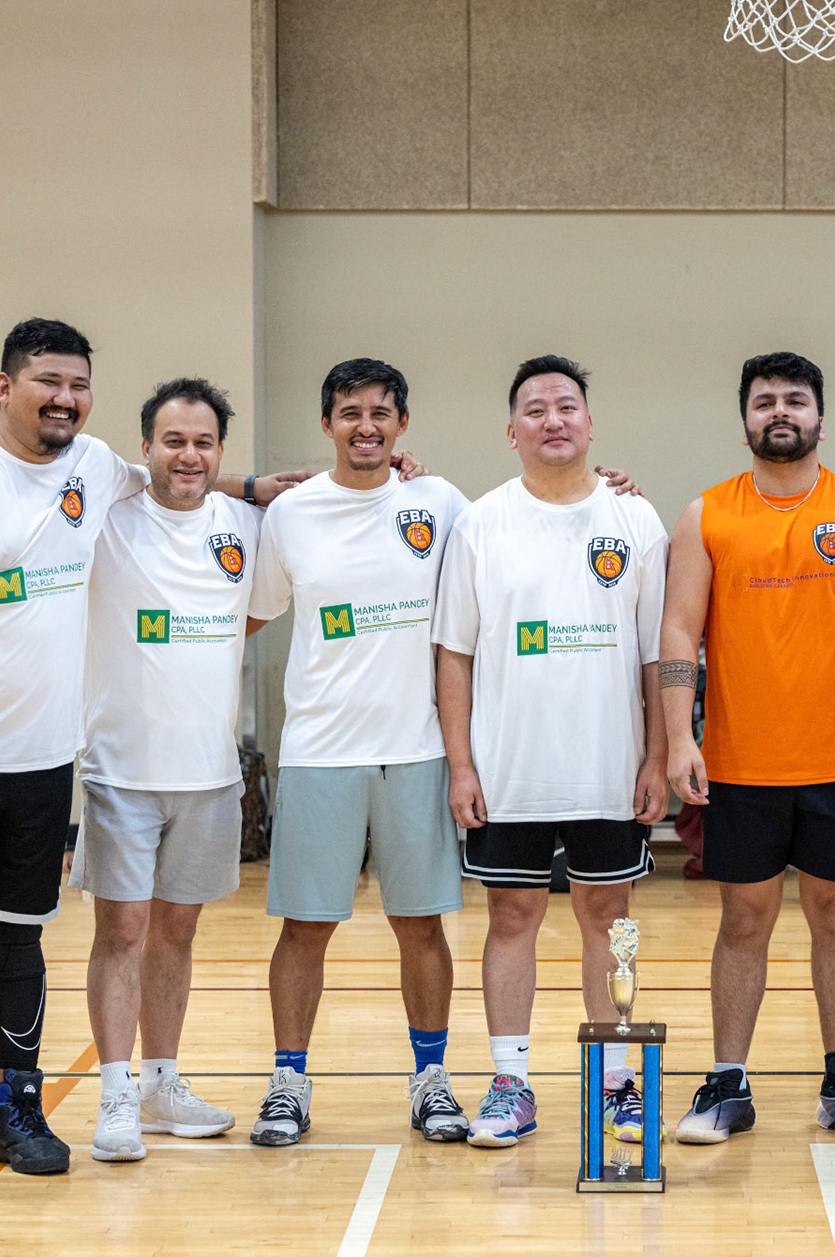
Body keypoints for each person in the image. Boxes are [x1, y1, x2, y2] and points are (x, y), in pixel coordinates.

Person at [0, 320, 305, 1185]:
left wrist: (257, 484)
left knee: (18, 944)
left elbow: (176, 476)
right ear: (4, 387)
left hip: (43, 762)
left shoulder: (94, 468)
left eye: (77, 385)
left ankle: (17, 1108)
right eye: (47, 381)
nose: (64, 398)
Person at [661, 351, 835, 1146]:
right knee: (744, 919)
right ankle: (728, 1081)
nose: (780, 410)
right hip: (741, 762)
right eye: (765, 400)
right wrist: (678, 736)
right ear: (744, 421)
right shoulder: (706, 514)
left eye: (795, 399)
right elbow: (679, 630)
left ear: (819, 420)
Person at [431, 355, 669, 1149]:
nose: (553, 419)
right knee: (512, 916)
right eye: (535, 409)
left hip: (609, 767)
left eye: (567, 406)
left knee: (612, 918)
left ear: (590, 424)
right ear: (512, 432)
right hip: (509, 770)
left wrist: (658, 755)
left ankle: (618, 1085)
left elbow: (657, 656)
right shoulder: (479, 523)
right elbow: (454, 654)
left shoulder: (636, 519)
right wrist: (461, 764)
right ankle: (512, 1084)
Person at [246, 359, 476, 1148]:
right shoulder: (292, 514)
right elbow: (249, 612)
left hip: (417, 749)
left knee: (421, 926)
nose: (366, 426)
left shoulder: (438, 502)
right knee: (305, 927)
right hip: (320, 750)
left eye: (381, 412)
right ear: (327, 424)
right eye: (350, 412)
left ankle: (432, 1080)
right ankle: (288, 1084)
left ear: (402, 424)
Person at [72, 379, 261, 1161]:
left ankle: (160, 1082)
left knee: (177, 932)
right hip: (121, 768)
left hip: (209, 773)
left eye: (203, 442)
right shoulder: (106, 517)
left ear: (220, 451)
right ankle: (115, 1092)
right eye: (173, 441)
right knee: (121, 929)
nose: (189, 455)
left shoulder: (245, 526)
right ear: (144, 446)